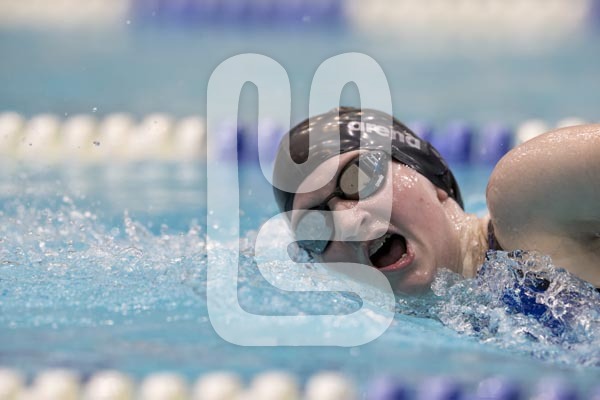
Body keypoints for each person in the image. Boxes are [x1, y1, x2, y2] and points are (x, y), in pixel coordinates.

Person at [271, 107, 600, 295]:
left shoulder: (526, 200)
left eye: (356, 179)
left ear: (427, 172)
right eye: (315, 226)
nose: (345, 223)